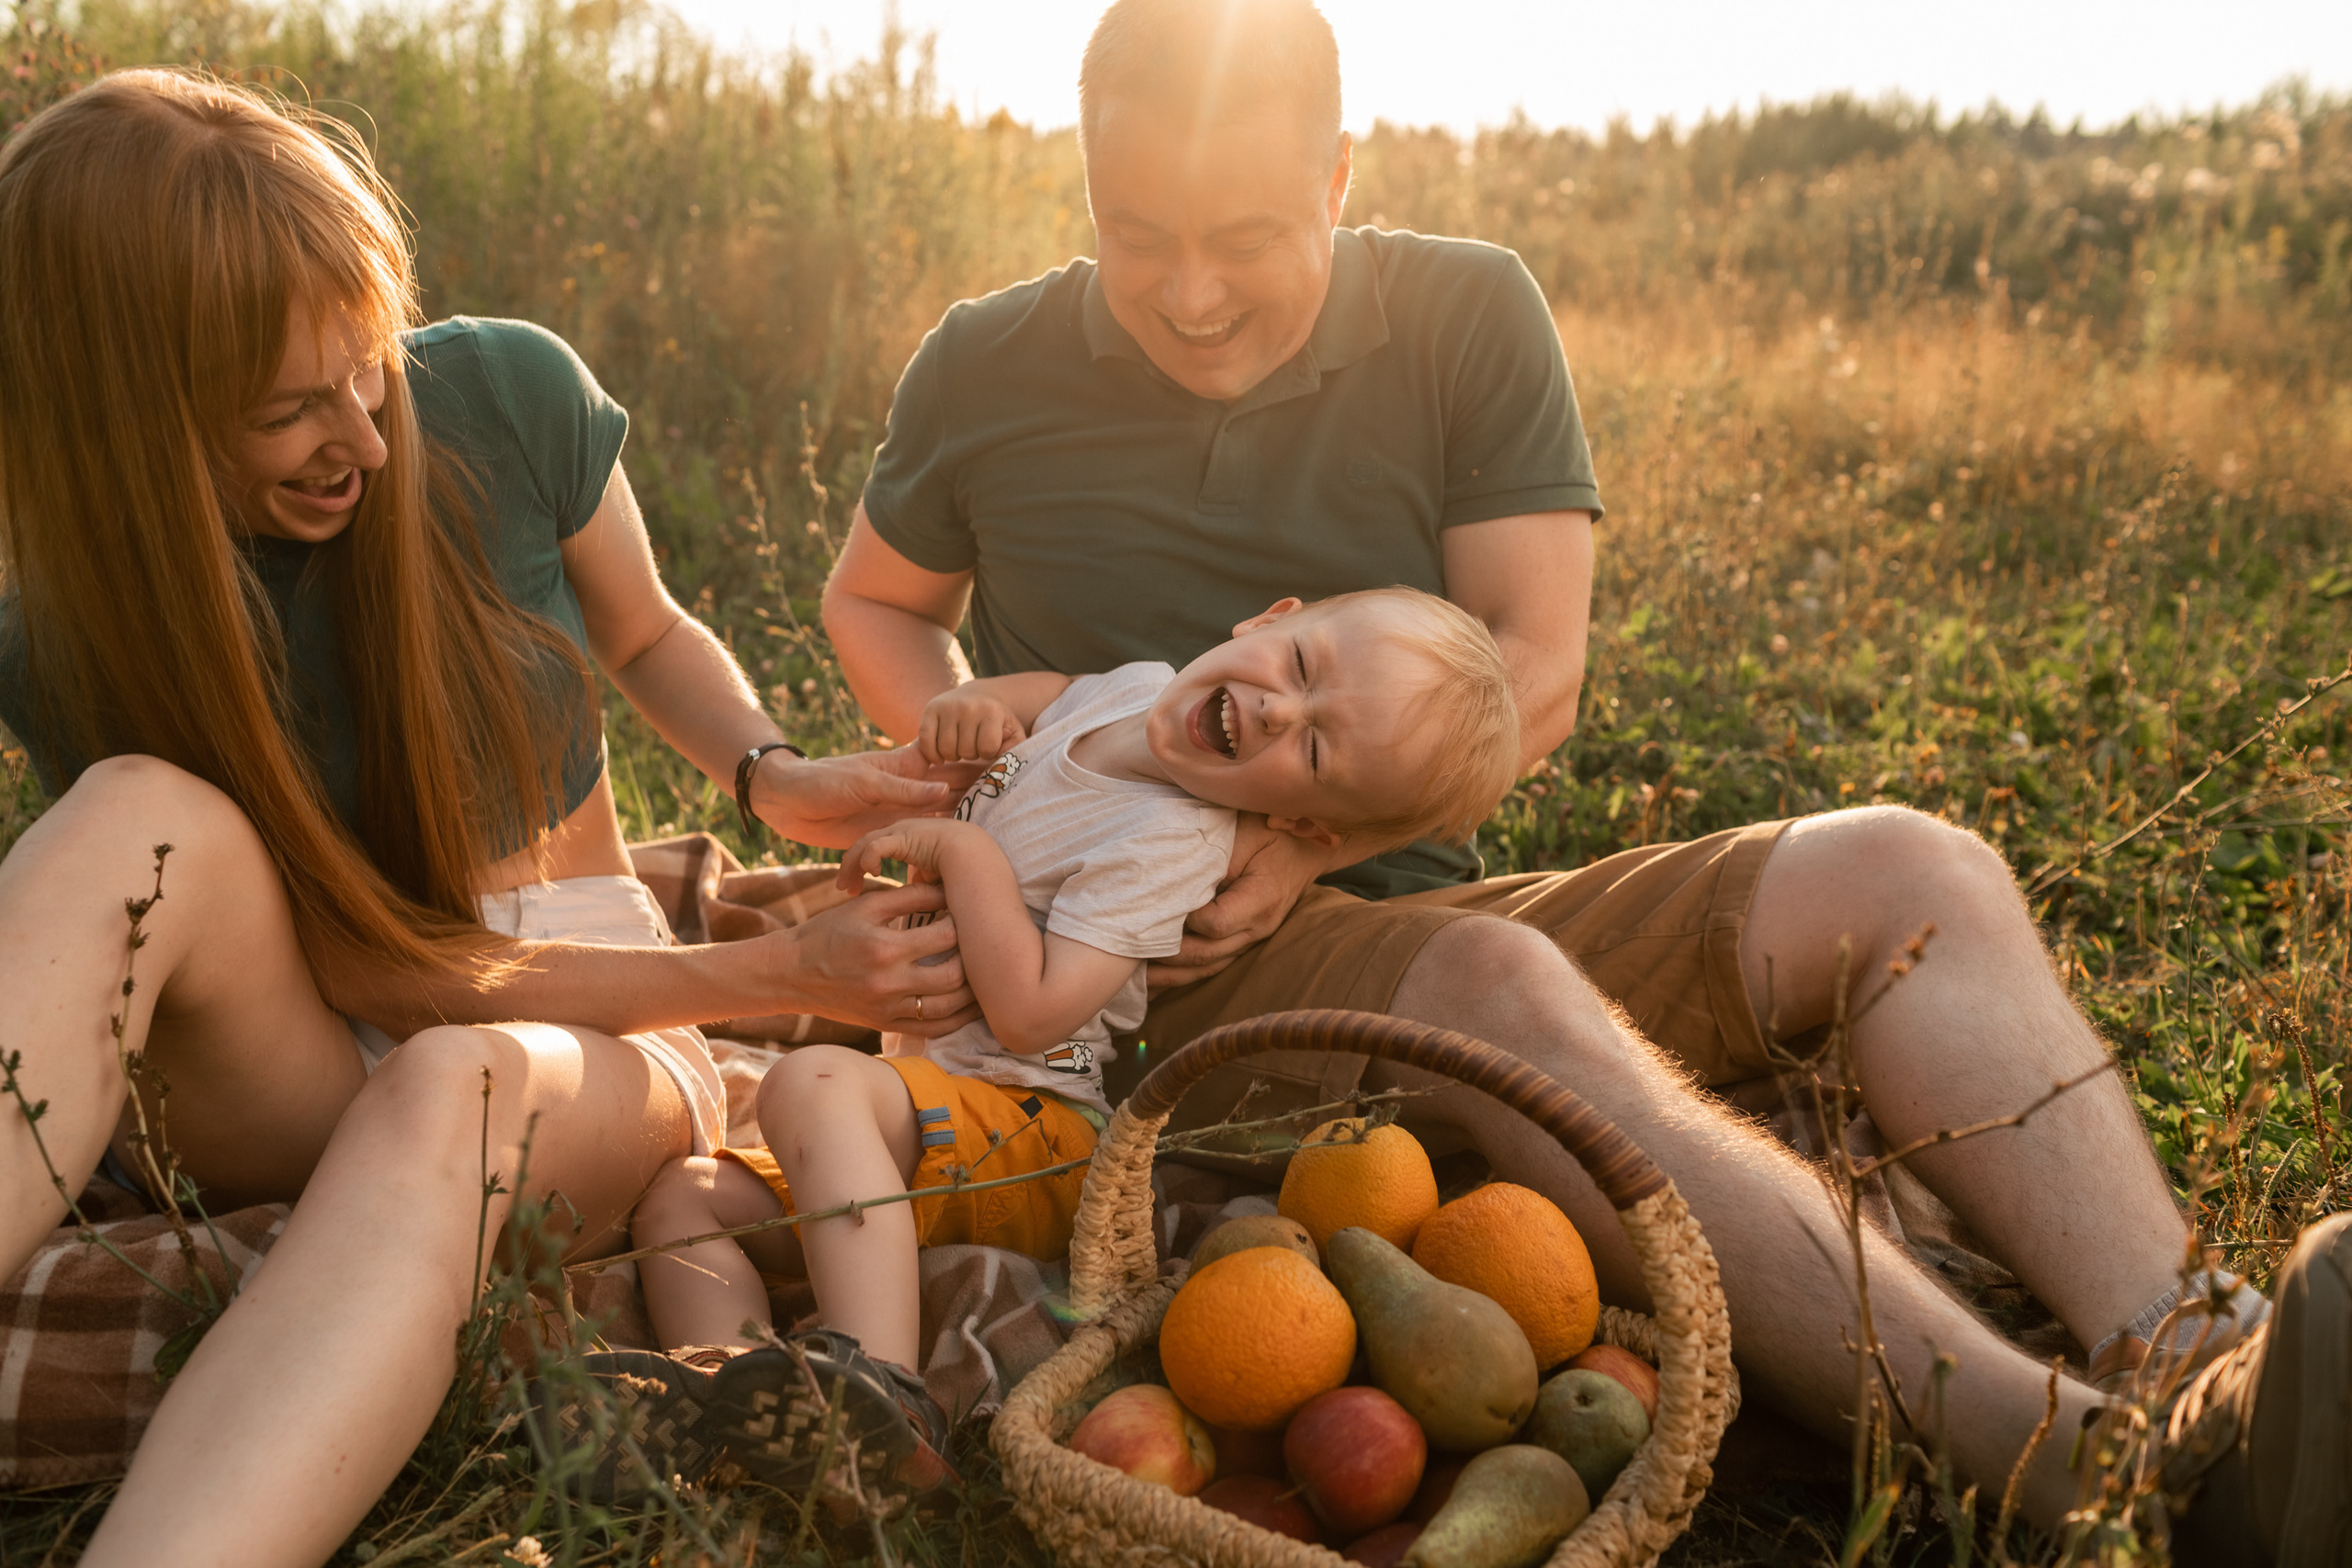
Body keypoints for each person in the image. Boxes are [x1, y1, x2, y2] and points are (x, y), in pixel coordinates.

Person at [816, 0, 2347, 1556]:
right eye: (1137, 235)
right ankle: (2092, 1472)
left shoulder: (1467, 313)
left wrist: (1308, 847)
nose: (1190, 293)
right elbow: (877, 600)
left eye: (1246, 236)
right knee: (1492, 979)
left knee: (1911, 869)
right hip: (1135, 963)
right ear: (1081, 180)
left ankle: (2214, 1364)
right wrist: (997, 774)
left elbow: (1534, 661)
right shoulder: (986, 362)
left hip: (1390, 897)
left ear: (1342, 173)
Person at [0, 71, 979, 1568]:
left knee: (453, 1083)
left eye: (367, 370)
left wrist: (775, 779)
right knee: (128, 818)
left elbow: (647, 634)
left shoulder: (508, 399)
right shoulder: (78, 618)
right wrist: (784, 973)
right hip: (319, 1029)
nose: (366, 440)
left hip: (589, 1043)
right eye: (288, 412)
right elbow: (388, 977)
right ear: (139, 431)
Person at [602, 588, 1519, 1504]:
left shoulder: (1170, 838)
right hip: (919, 1116)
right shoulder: (1127, 691)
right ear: (1269, 618)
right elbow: (1019, 703)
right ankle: (728, 1396)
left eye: (1314, 747)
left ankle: (883, 1397)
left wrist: (967, 859)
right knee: (684, 1198)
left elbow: (1033, 1014)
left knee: (815, 1083)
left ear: (1305, 828)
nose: (1281, 708)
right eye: (1302, 665)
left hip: (1031, 1130)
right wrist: (972, 711)